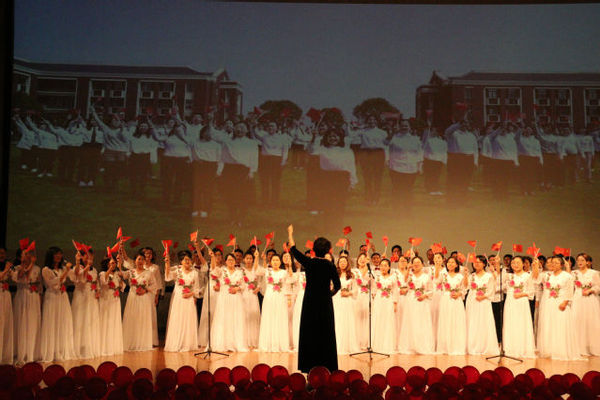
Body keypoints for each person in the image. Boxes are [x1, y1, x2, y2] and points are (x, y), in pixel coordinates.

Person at [288, 225, 340, 373]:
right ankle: (327, 367)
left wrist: (290, 233)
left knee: (309, 333)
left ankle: (309, 367)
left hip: (310, 303)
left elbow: (293, 249)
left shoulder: (309, 262)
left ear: (313, 249)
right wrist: (328, 294)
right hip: (325, 304)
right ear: (328, 250)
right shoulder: (330, 265)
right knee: (326, 333)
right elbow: (337, 285)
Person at [535, 256, 581, 360]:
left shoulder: (567, 276)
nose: (553, 264)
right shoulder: (547, 275)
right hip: (548, 303)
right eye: (552, 262)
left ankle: (560, 350)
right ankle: (549, 350)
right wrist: (535, 266)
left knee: (559, 326)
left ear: (562, 265)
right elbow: (535, 279)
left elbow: (570, 290)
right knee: (549, 325)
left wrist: (565, 302)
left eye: (556, 263)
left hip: (560, 303)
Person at [40, 247, 76, 362]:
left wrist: (77, 261)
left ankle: (61, 350)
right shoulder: (46, 270)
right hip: (52, 297)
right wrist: (65, 272)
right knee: (52, 322)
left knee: (63, 322)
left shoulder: (62, 268)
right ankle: (51, 351)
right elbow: (52, 283)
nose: (59, 256)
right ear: (51, 256)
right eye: (56, 254)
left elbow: (74, 277)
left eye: (60, 254)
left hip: (62, 297)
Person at [164, 250, 200, 352]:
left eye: (189, 259)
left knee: (188, 321)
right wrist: (167, 264)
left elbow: (197, 289)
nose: (187, 261)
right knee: (178, 319)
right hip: (179, 299)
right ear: (181, 261)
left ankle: (187, 344)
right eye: (185, 260)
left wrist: (192, 295)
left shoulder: (195, 273)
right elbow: (167, 277)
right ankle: (176, 342)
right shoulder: (177, 271)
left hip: (189, 299)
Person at [397, 256, 435, 354]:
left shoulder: (426, 276)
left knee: (421, 323)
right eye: (414, 262)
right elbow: (404, 281)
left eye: (418, 262)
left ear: (422, 264)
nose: (416, 264)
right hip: (411, 301)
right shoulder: (410, 275)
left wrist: (425, 295)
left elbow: (431, 290)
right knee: (410, 322)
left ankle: (422, 345)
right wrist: (408, 269)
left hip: (422, 302)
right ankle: (410, 345)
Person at [122, 252, 157, 351]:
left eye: (142, 259)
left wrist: (145, 290)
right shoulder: (131, 272)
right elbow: (121, 275)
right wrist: (119, 262)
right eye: (138, 259)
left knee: (142, 319)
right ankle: (131, 342)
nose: (140, 261)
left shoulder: (149, 273)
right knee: (133, 318)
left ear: (145, 261)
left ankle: (143, 343)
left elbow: (154, 286)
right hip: (133, 297)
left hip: (144, 298)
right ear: (135, 261)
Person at [258, 253, 293, 352]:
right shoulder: (267, 271)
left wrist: (290, 265)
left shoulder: (284, 272)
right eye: (273, 260)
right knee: (269, 318)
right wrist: (258, 258)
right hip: (269, 297)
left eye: (277, 260)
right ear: (270, 262)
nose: (275, 262)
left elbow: (290, 278)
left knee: (279, 318)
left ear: (280, 262)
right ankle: (268, 344)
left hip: (280, 298)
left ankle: (280, 344)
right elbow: (257, 270)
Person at [12, 248, 42, 363]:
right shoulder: (17, 268)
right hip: (22, 296)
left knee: (32, 323)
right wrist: (30, 265)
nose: (28, 255)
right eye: (25, 254)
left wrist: (40, 299)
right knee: (22, 323)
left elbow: (39, 285)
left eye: (29, 253)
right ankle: (21, 353)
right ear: (20, 256)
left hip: (33, 297)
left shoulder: (37, 269)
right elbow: (23, 277)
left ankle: (32, 353)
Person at [502, 256, 535, 358]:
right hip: (510, 301)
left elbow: (531, 292)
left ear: (523, 264)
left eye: (518, 263)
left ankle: (522, 348)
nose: (515, 265)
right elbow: (502, 287)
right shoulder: (508, 276)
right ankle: (510, 348)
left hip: (521, 302)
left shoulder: (527, 276)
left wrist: (521, 294)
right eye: (513, 263)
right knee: (510, 323)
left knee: (521, 323)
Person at [70, 250, 101, 359]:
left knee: (91, 321)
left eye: (91, 257)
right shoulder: (77, 268)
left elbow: (96, 282)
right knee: (80, 320)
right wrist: (86, 266)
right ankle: (78, 348)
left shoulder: (94, 270)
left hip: (91, 297)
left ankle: (89, 346)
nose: (89, 259)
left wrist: (97, 290)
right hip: (81, 296)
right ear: (82, 257)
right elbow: (80, 279)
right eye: (87, 257)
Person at [466, 255, 499, 355]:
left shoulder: (489, 276)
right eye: (475, 262)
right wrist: (465, 276)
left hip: (484, 301)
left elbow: (492, 290)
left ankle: (484, 346)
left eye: (479, 262)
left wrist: (484, 296)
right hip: (472, 300)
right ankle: (472, 345)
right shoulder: (471, 276)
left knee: (484, 322)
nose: (476, 264)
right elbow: (466, 287)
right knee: (473, 322)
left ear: (484, 264)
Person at [387, 119, 424, 209]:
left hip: (411, 169)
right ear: (399, 127)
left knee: (408, 191)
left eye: (406, 126)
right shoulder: (394, 139)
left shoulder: (415, 139)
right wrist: (389, 164)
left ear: (410, 127)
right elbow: (389, 151)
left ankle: (407, 211)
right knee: (397, 191)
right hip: (397, 168)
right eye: (402, 126)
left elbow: (419, 154)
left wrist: (419, 167)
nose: (404, 127)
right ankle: (396, 211)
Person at [435, 257, 467, 355]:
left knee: (456, 321)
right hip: (446, 299)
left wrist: (459, 294)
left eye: (453, 262)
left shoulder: (460, 276)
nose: (450, 264)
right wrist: (437, 268)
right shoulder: (443, 274)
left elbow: (464, 288)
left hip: (457, 300)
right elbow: (436, 282)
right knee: (446, 321)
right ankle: (445, 347)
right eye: (449, 262)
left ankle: (456, 346)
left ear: (457, 265)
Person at [571, 253, 600, 356]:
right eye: (578, 260)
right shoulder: (574, 273)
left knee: (590, 322)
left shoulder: (593, 273)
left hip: (589, 300)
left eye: (582, 260)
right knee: (577, 321)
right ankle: (578, 347)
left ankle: (591, 346)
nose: (580, 262)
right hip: (577, 298)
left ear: (588, 262)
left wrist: (590, 290)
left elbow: (598, 287)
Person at [98, 254, 125, 356]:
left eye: (114, 263)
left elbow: (122, 287)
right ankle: (104, 346)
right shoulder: (102, 273)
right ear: (107, 264)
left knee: (114, 321)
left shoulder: (117, 274)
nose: (113, 265)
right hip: (106, 299)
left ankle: (114, 346)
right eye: (112, 263)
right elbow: (103, 282)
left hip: (115, 299)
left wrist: (121, 281)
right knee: (106, 320)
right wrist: (109, 270)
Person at [333, 256, 359, 355]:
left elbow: (355, 289)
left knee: (347, 321)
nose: (342, 263)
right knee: (337, 321)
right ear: (338, 263)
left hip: (347, 300)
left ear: (347, 263)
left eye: (344, 261)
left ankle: (348, 345)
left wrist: (348, 293)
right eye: (341, 262)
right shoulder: (335, 274)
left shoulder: (351, 275)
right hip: (337, 299)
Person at [371, 258, 398, 354]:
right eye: (381, 265)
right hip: (378, 300)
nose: (383, 267)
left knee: (388, 321)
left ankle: (387, 345)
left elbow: (395, 291)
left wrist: (395, 303)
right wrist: (373, 297)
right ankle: (376, 344)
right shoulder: (376, 277)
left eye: (385, 265)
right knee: (378, 320)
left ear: (389, 267)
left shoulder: (393, 278)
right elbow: (373, 289)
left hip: (388, 301)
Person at [0, 260, 13, 363]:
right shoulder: (5, 268)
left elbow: (17, 277)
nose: (2, 255)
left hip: (5, 295)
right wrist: (6, 269)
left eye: (3, 253)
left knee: (6, 323)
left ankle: (4, 355)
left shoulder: (7, 267)